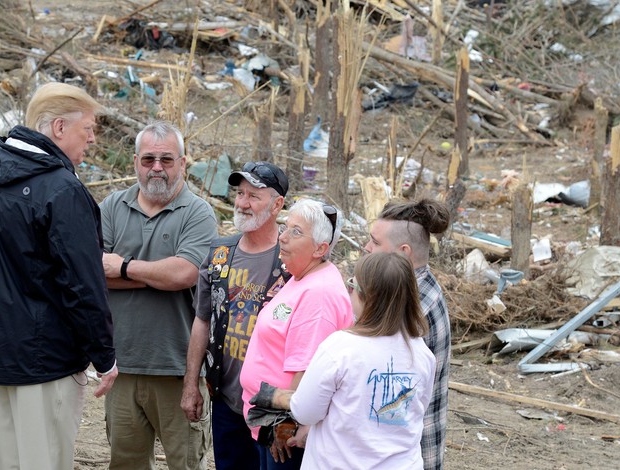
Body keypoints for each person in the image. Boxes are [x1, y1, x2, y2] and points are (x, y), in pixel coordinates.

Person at [0, 83, 117, 470]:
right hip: (45, 360)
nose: (93, 139)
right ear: (60, 127)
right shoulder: (61, 190)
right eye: (89, 128)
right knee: (44, 461)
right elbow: (82, 283)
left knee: (2, 462)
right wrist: (104, 355)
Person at [100, 121, 217, 469]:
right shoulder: (111, 207)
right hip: (121, 366)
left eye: (166, 160)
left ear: (182, 163)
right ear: (135, 161)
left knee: (185, 463)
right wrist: (156, 275)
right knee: (126, 463)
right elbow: (91, 274)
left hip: (178, 368)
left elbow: (185, 273)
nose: (156, 167)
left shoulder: (198, 213)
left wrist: (121, 267)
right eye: (148, 158)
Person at [252, 252, 436, 469]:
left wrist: (278, 397)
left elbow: (305, 412)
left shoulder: (340, 347)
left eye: (352, 286)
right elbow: (416, 409)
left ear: (368, 298)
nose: (348, 291)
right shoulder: (423, 354)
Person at [181, 161, 290, 470]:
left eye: (254, 196)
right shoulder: (219, 253)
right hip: (227, 399)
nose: (242, 203)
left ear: (277, 204)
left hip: (274, 405)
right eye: (240, 193)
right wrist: (192, 385)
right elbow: (202, 320)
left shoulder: (293, 257)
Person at [240, 198, 355, 469]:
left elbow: (307, 371)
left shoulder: (319, 293)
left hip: (285, 434)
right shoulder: (302, 277)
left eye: (296, 232)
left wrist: (286, 425)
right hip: (268, 422)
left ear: (320, 248)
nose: (283, 237)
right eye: (286, 227)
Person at [364, 198, 451, 470]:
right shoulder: (412, 289)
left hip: (406, 453)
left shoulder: (410, 308)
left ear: (403, 252)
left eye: (376, 243)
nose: (367, 248)